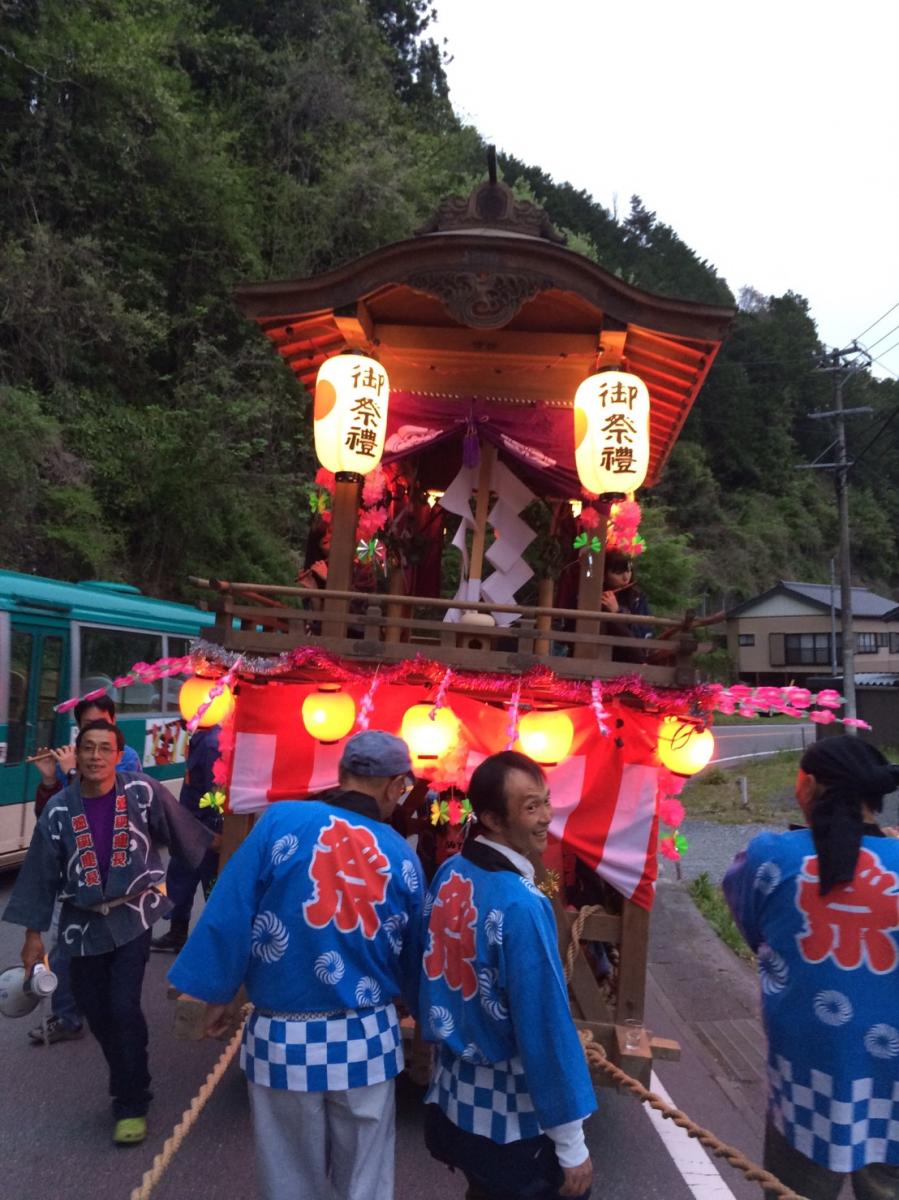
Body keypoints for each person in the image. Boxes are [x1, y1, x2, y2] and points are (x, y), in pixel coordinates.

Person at [168, 730, 426, 1200]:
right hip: (366, 1040)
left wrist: (214, 994)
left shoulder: (280, 821)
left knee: (289, 1181)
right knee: (365, 1183)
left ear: (343, 774)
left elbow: (231, 909)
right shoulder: (401, 857)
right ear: (394, 786)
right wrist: (423, 1019)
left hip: (282, 1040)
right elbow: (413, 958)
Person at [3, 720, 214, 1145]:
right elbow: (41, 876)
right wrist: (33, 937)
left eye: (105, 748)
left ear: (119, 756)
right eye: (88, 748)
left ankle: (132, 1099)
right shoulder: (60, 810)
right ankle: (126, 1072)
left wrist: (231, 854)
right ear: (76, 756)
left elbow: (185, 832)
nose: (96, 756)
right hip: (81, 924)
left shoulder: (141, 792)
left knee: (122, 1006)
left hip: (132, 915)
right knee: (95, 1010)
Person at [722, 736, 899, 1200]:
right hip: (895, 1082)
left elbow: (756, 933)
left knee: (794, 1190)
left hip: (808, 1074)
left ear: (811, 785)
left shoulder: (771, 858)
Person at [420, 750, 596, 1200]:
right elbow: (544, 1023)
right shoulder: (520, 902)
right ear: (493, 820)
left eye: (545, 801)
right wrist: (571, 1143)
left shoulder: (450, 872)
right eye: (530, 807)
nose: (545, 818)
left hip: (454, 1096)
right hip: (510, 1115)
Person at [29, 694, 143, 1045]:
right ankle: (67, 1015)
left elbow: (115, 804)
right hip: (77, 877)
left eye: (101, 723)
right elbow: (49, 820)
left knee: (113, 968)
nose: (94, 738)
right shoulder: (75, 756)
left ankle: (97, 1018)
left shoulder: (127, 759)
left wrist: (73, 772)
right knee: (66, 948)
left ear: (113, 722)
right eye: (86, 727)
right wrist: (50, 781)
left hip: (119, 883)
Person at [151, 722, 222, 953]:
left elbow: (216, 792)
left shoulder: (211, 743)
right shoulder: (201, 737)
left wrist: (215, 827)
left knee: (211, 884)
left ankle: (214, 941)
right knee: (180, 878)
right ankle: (177, 932)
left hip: (204, 828)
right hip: (188, 824)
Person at [601, 551, 650, 661]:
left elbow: (643, 631)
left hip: (630, 658)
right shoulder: (594, 595)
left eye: (628, 571)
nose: (625, 577)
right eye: (618, 572)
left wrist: (617, 612)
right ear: (603, 575)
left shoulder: (638, 598)